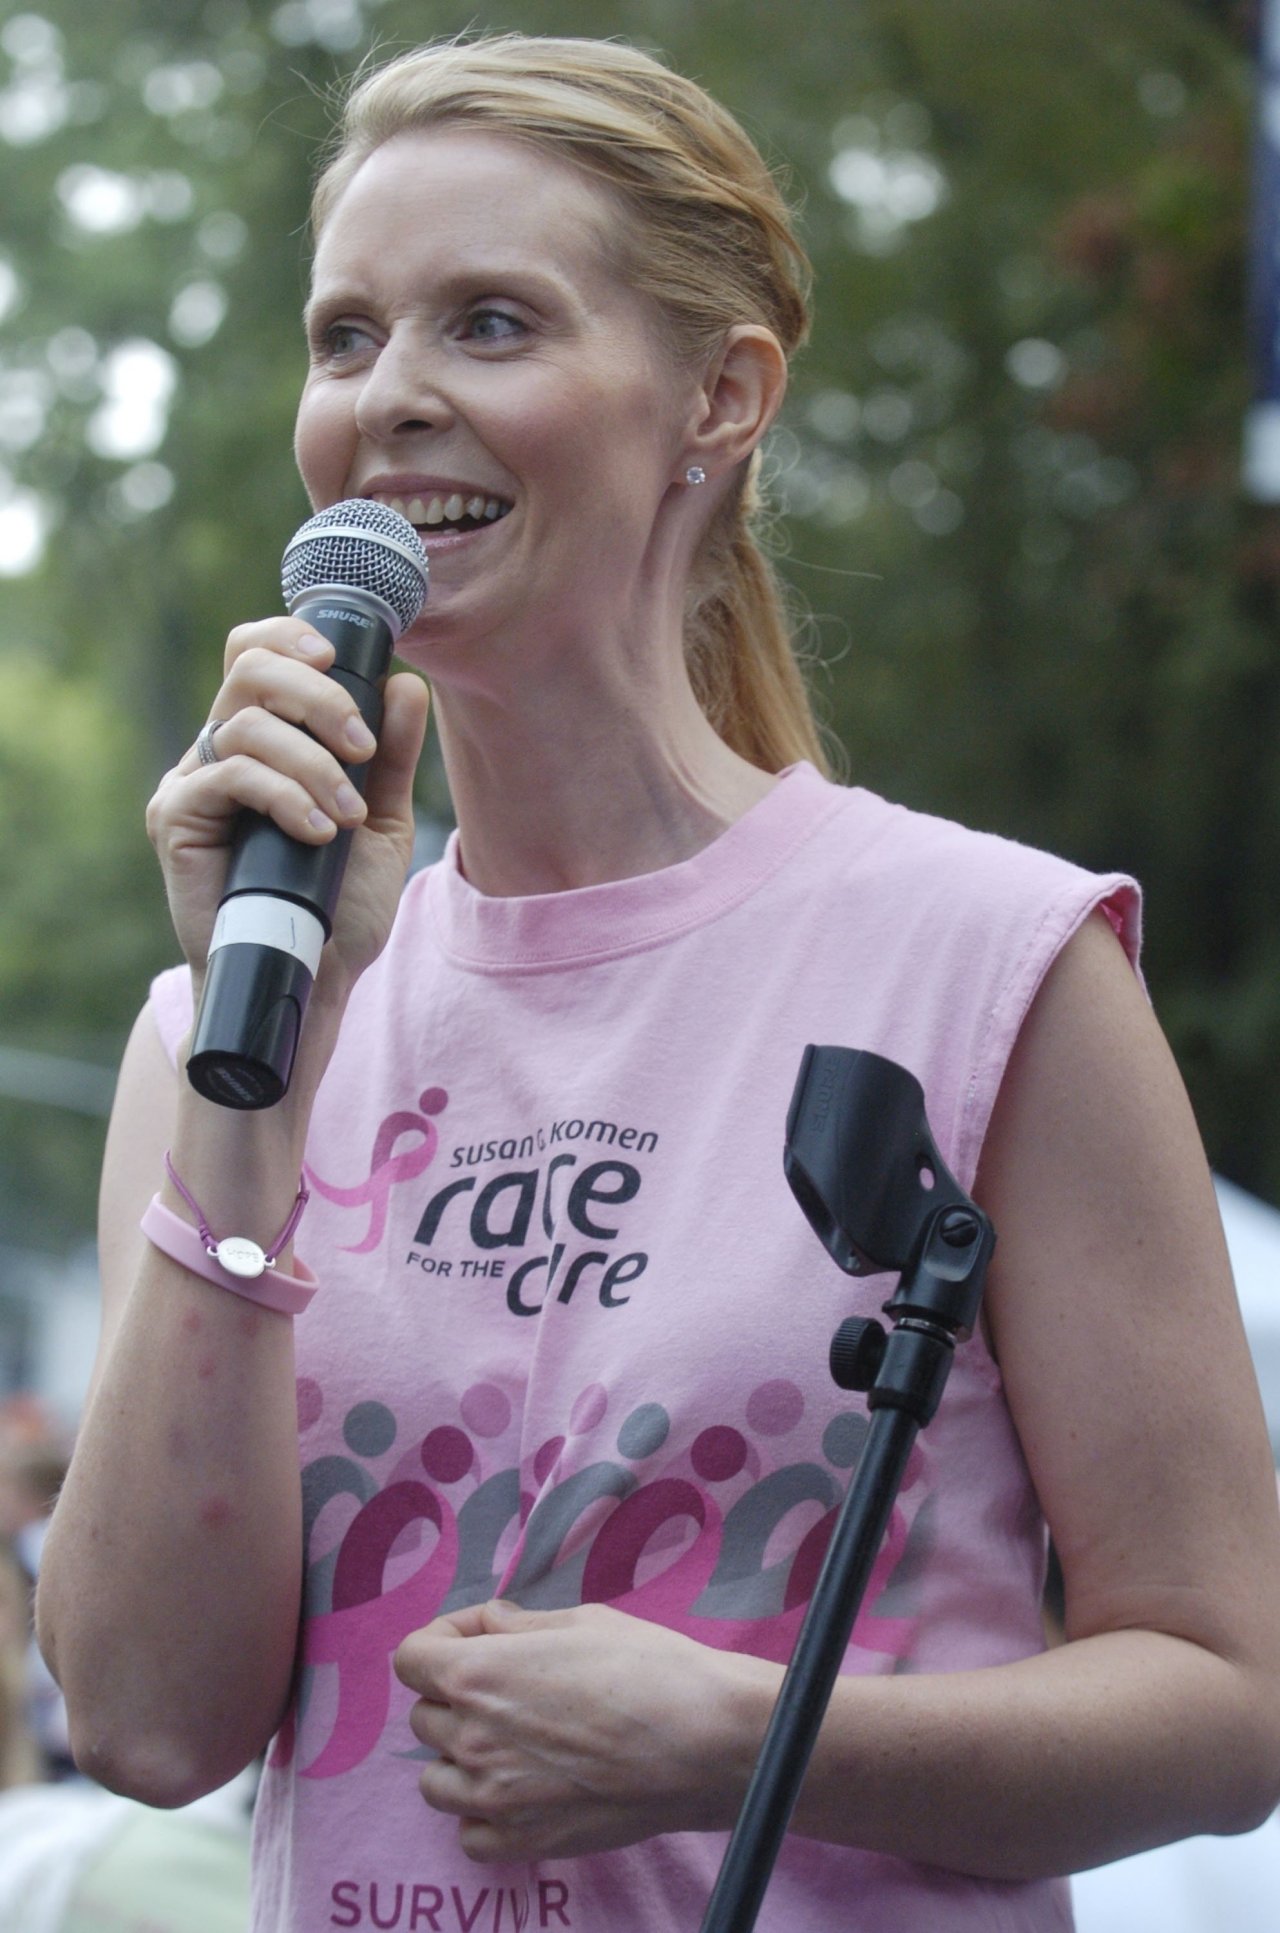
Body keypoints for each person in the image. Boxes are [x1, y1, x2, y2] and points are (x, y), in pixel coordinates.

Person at [33, 32, 1280, 1933]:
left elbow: (1227, 1700)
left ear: (721, 394)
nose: (393, 395)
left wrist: (747, 1735)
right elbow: (138, 1720)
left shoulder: (988, 962)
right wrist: (255, 1095)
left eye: (493, 323)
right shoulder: (221, 1032)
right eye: (347, 335)